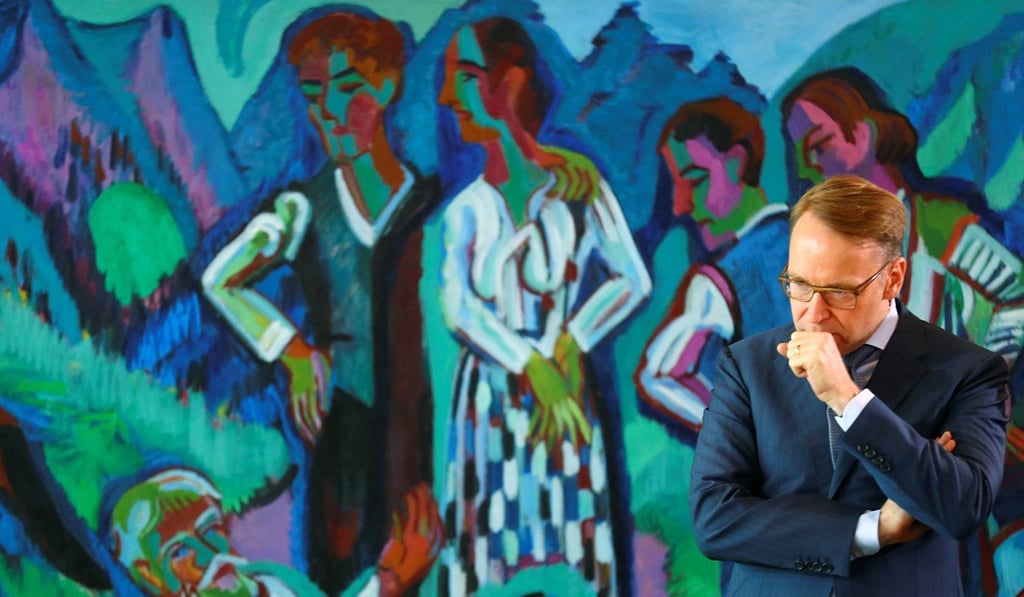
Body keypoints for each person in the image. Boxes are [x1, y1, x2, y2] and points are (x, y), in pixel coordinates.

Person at [690, 174, 1008, 595]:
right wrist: (872, 530)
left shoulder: (968, 371)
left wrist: (849, 399)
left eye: (840, 292)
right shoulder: (747, 365)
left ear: (893, 279)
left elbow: (961, 507)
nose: (813, 315)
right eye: (800, 285)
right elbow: (715, 519)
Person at [435, 16, 651, 595]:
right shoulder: (467, 210)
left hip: (566, 385)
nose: (447, 96)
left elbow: (632, 279)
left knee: (570, 534)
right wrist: (529, 363)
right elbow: (458, 307)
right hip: (491, 400)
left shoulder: (577, 188)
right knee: (490, 545)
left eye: (466, 76)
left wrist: (569, 341)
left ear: (508, 84)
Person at [781, 68, 1024, 367]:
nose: (809, 171)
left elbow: (1017, 298)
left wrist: (987, 377)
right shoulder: (825, 250)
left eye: (819, 146)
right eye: (800, 159)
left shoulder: (942, 225)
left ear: (866, 131)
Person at [635, 97, 790, 435]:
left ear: (736, 162)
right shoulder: (817, 239)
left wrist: (738, 436)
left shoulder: (720, 280)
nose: (680, 204)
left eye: (693, 179)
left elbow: (659, 374)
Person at [102, 467, 441, 596]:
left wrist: (385, 576)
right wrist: (388, 583)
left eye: (209, 528)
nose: (208, 553)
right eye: (179, 551)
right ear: (151, 578)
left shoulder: (265, 580)